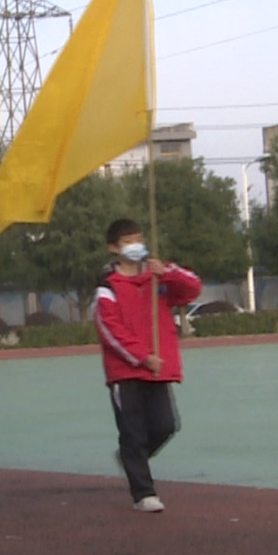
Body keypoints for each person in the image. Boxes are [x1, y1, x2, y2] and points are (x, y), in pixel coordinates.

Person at [95, 218, 201, 513]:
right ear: (114, 248)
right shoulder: (107, 287)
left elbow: (192, 289)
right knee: (133, 430)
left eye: (139, 238)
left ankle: (131, 458)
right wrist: (142, 356)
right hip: (126, 372)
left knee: (166, 425)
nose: (135, 245)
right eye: (128, 241)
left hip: (157, 370)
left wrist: (167, 272)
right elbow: (110, 329)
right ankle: (144, 492)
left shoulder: (158, 279)